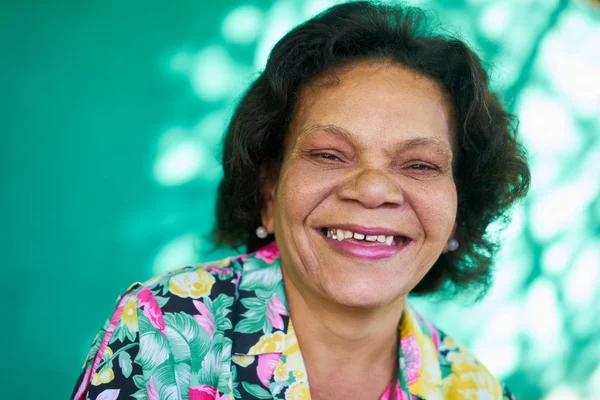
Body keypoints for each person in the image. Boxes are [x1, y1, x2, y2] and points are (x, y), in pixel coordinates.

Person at [71, 1, 530, 399]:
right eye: (329, 154)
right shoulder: (167, 329)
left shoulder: (475, 390)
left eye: (420, 165)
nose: (372, 190)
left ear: (457, 216)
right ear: (269, 190)